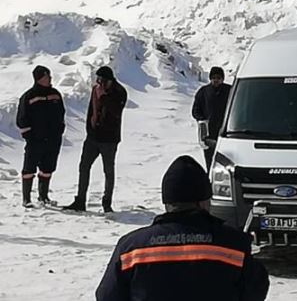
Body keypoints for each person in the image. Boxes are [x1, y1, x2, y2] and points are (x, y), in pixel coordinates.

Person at [95, 155, 269, 301]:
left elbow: (107, 296)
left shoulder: (131, 248)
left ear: (167, 203)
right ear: (203, 202)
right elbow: (256, 290)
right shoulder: (234, 245)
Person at [63, 65, 127, 213]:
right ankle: (80, 200)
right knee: (84, 167)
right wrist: (89, 128)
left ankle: (107, 202)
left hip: (109, 139)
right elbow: (91, 110)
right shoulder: (95, 89)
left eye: (101, 80)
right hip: (93, 137)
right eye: (97, 79)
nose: (99, 82)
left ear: (109, 80)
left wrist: (104, 96)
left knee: (108, 171)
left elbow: (116, 112)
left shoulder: (119, 92)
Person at [16, 65, 66, 208]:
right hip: (35, 140)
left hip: (53, 139)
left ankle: (43, 197)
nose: (50, 78)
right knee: (29, 168)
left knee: (47, 168)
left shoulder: (55, 94)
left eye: (50, 75)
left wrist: (59, 130)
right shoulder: (29, 96)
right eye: (47, 76)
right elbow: (21, 119)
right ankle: (26, 199)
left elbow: (62, 113)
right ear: (39, 78)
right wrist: (29, 136)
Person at [192, 66, 233, 170]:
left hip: (226, 133)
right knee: (210, 162)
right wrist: (202, 120)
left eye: (219, 78)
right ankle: (209, 182)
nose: (216, 80)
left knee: (226, 161)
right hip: (209, 134)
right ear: (210, 78)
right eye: (214, 77)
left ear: (222, 79)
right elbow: (195, 110)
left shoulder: (230, 90)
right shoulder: (203, 92)